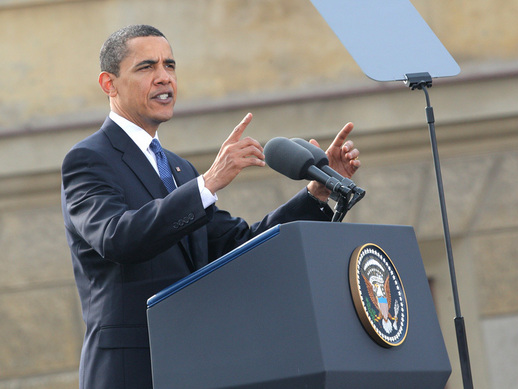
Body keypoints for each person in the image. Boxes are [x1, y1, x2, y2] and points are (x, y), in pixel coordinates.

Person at [61, 24, 361, 389]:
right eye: (146, 68)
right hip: (134, 370)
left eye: (169, 66)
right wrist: (207, 183)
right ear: (109, 84)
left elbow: (241, 244)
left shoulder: (177, 168)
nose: (163, 78)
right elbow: (118, 238)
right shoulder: (89, 159)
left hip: (196, 365)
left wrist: (317, 193)